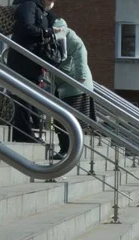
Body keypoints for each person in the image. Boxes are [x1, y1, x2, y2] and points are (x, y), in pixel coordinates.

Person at [7, 0, 60, 143]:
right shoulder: (29, 5)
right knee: (24, 97)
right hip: (23, 60)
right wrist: (47, 32)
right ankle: (22, 134)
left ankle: (27, 132)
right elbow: (26, 28)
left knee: (29, 97)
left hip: (32, 60)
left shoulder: (39, 9)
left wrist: (48, 20)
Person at [50, 18, 95, 160]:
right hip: (65, 84)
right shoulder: (53, 36)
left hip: (75, 86)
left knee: (66, 120)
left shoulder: (70, 37)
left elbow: (81, 52)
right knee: (62, 119)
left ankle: (67, 150)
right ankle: (67, 150)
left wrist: (80, 78)